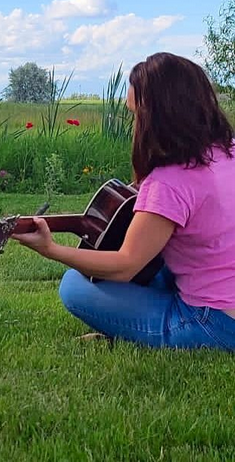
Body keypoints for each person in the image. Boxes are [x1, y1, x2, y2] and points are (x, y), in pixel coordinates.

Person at [13, 52, 235, 349]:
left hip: (213, 325)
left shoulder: (169, 182)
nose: (134, 125)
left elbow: (125, 265)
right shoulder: (227, 150)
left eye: (136, 114)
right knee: (159, 264)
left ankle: (141, 329)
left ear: (160, 117)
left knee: (75, 286)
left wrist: (50, 249)